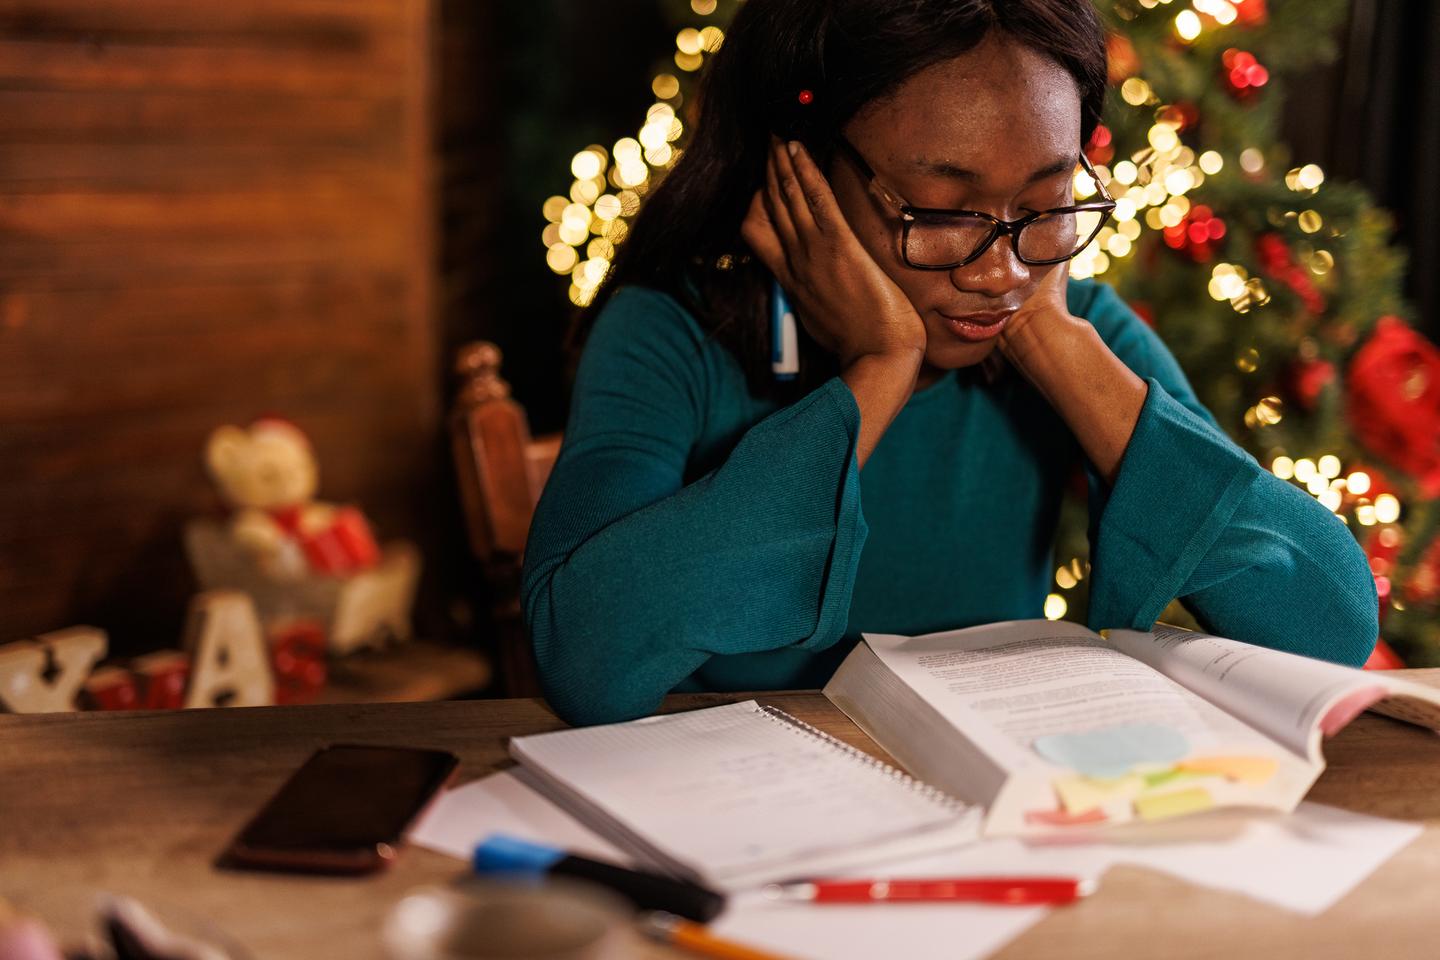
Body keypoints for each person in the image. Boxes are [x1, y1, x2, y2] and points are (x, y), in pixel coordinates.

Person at [521, 0, 1379, 727]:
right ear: (802, 167)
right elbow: (583, 665)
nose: (999, 272)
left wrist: (1052, 343)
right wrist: (876, 372)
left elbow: (1328, 626)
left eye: (1045, 204)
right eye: (939, 212)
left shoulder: (1070, 327)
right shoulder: (670, 334)